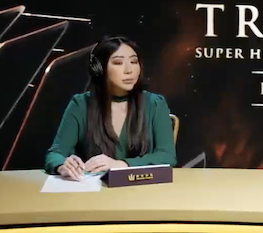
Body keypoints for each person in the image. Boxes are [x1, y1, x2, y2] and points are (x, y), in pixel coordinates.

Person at [45, 35, 177, 179]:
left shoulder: (155, 103)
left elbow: (167, 156)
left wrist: (121, 164)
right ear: (99, 69)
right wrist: (62, 165)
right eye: (118, 63)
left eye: (134, 61)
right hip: (95, 188)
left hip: (142, 187)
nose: (129, 70)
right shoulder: (81, 104)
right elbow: (55, 154)